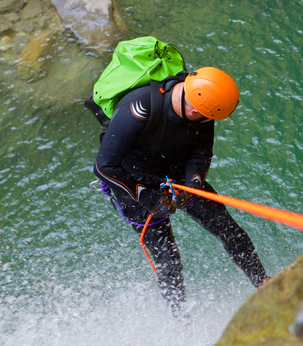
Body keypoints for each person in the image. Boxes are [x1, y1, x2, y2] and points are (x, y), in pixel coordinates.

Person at [89, 66, 269, 316]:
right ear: (195, 109)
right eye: (207, 117)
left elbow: (201, 154)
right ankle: (181, 317)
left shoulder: (204, 107)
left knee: (229, 230)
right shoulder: (139, 109)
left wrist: (192, 185)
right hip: (132, 183)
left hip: (175, 176)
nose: (209, 122)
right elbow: (104, 166)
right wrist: (149, 198)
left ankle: (264, 283)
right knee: (168, 260)